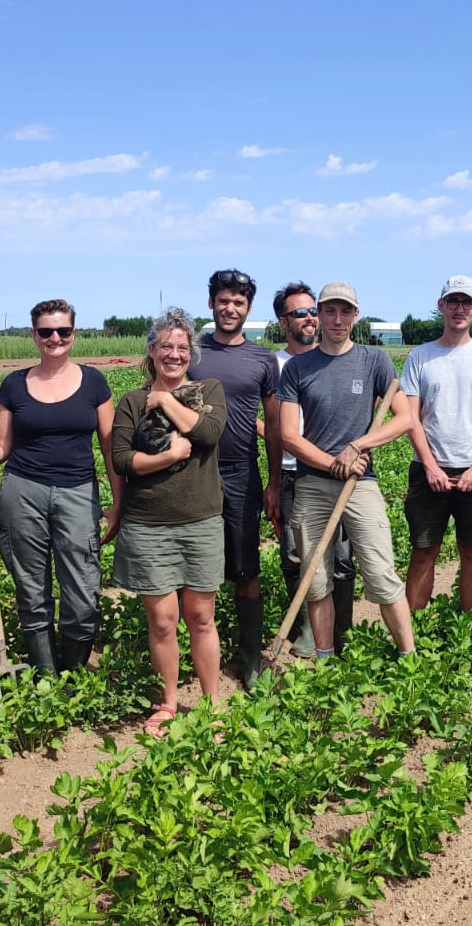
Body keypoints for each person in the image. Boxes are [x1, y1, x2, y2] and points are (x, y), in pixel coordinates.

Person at [0, 299, 114, 675]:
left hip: (78, 492)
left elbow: (109, 447)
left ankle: (72, 676)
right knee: (30, 587)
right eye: (46, 331)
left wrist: (116, 502)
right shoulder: (14, 384)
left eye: (63, 331)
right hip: (23, 491)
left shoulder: (94, 381)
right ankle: (45, 677)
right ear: (34, 335)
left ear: (74, 334)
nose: (54, 338)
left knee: (82, 588)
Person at [277, 280, 415, 658]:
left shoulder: (374, 361)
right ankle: (324, 659)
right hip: (312, 485)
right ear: (319, 315)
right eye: (330, 311)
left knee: (382, 573)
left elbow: (403, 419)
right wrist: (332, 464)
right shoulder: (297, 368)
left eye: (346, 311)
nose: (338, 319)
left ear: (356, 315)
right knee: (316, 580)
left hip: (361, 483)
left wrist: (359, 445)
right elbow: (288, 435)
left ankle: (409, 658)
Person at [109, 309, 227, 734]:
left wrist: (165, 402)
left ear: (191, 353)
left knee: (201, 617)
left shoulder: (208, 389)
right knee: (161, 621)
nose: (174, 355)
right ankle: (168, 702)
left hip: (200, 520)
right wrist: (168, 456)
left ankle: (213, 704)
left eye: (182, 347)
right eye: (166, 347)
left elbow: (210, 432)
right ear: (152, 351)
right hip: (148, 524)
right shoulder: (130, 401)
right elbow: (122, 459)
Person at [400, 275, 472, 618]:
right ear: (441, 306)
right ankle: (413, 636)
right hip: (428, 472)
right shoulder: (420, 356)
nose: (459, 309)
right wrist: (430, 466)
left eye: (466, 302)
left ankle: (469, 629)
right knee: (423, 551)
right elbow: (410, 417)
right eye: (453, 301)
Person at [198, 269, 281, 690]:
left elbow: (273, 422)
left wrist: (273, 483)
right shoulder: (191, 351)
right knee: (194, 569)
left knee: (246, 568)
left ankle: (249, 658)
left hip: (240, 472)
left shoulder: (263, 359)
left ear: (249, 308)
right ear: (211, 302)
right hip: (192, 472)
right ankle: (198, 655)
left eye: (239, 302)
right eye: (224, 300)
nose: (230, 308)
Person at [271, 280, 356, 656]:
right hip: (294, 472)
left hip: (340, 472)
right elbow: (267, 423)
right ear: (282, 321)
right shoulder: (274, 364)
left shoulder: (337, 358)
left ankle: (342, 632)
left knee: (341, 557)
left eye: (310, 311)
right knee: (297, 556)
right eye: (297, 313)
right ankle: (307, 629)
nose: (307, 319)